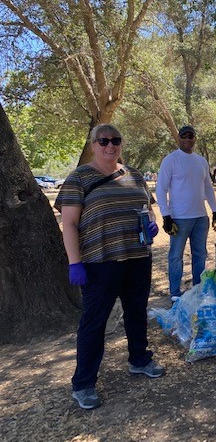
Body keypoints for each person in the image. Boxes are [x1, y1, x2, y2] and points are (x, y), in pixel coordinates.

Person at [55, 124, 164, 411]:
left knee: (137, 312)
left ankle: (140, 360)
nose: (110, 145)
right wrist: (75, 262)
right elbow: (69, 224)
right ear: (93, 144)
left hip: (137, 257)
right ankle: (84, 383)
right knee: (94, 322)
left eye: (115, 140)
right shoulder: (79, 178)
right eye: (103, 140)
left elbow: (147, 208)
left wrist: (151, 223)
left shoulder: (135, 175)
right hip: (99, 261)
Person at [155, 125, 216, 302]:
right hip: (179, 219)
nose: (187, 139)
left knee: (200, 254)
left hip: (200, 217)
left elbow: (208, 187)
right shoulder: (171, 160)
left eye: (191, 136)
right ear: (178, 138)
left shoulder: (201, 161)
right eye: (184, 136)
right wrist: (166, 216)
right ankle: (175, 292)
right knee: (175, 256)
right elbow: (161, 189)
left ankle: (198, 289)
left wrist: (215, 211)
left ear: (194, 139)